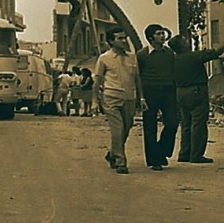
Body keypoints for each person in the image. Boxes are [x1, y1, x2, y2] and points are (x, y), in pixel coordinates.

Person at [93, 25, 146, 174]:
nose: (124, 41)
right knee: (118, 129)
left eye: (124, 38)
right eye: (120, 38)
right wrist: (95, 101)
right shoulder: (104, 58)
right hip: (111, 97)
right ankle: (120, 161)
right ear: (111, 41)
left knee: (126, 128)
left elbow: (137, 79)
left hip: (129, 98)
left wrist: (141, 98)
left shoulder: (132, 57)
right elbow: (97, 80)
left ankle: (112, 154)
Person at [168, 34, 224, 164]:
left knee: (186, 123)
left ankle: (185, 153)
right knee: (198, 123)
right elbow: (215, 53)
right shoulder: (193, 56)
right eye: (185, 40)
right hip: (196, 91)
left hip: (180, 92)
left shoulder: (174, 59)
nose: (187, 42)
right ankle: (196, 154)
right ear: (182, 45)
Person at [136, 24, 179, 171]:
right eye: (159, 34)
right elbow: (138, 77)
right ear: (150, 38)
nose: (162, 36)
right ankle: (154, 160)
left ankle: (161, 150)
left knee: (173, 122)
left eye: (163, 33)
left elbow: (174, 73)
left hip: (168, 91)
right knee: (150, 126)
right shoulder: (142, 54)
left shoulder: (169, 53)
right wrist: (141, 98)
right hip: (150, 92)